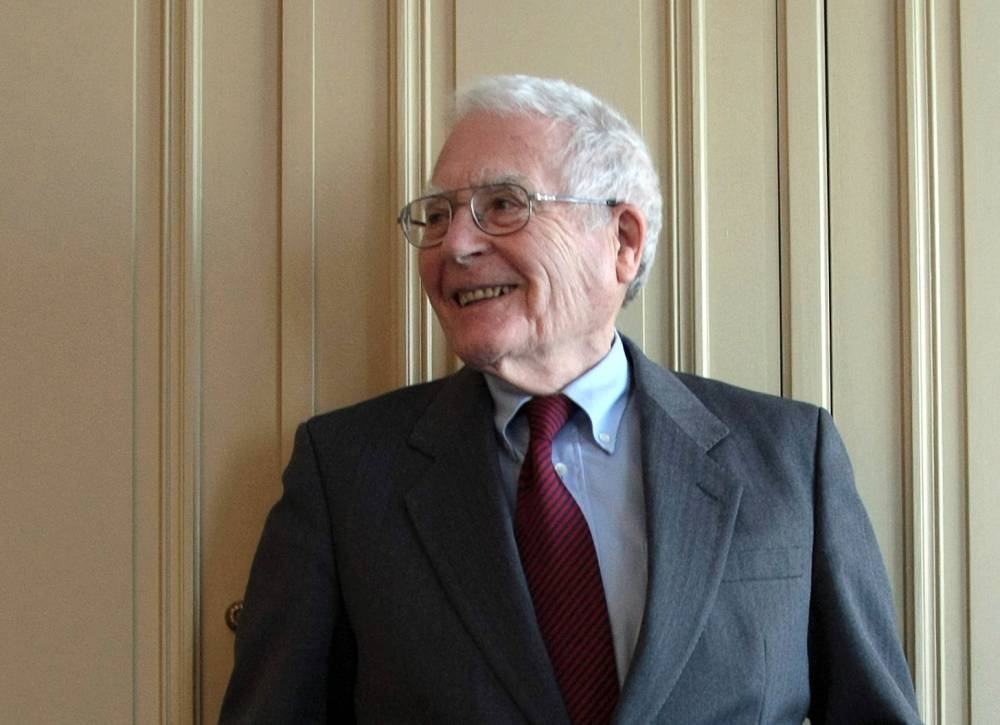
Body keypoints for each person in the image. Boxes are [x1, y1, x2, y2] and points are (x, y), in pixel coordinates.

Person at [220, 75, 920, 724]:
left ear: (621, 239)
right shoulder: (344, 472)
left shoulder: (793, 457)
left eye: (502, 205)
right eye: (436, 215)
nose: (454, 244)